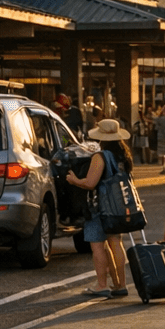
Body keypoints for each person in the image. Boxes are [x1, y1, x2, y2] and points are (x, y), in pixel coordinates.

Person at [65, 118, 133, 299]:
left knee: (98, 247)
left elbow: (90, 183)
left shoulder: (100, 157)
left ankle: (101, 285)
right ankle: (120, 284)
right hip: (118, 207)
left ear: (101, 137)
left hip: (99, 208)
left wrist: (74, 181)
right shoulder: (123, 157)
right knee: (116, 243)